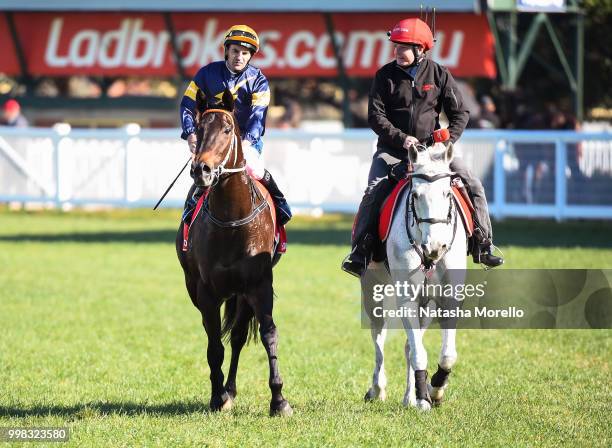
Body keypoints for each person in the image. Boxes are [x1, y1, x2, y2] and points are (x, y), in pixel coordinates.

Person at [341, 17, 503, 277]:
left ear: (422, 49)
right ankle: (360, 253)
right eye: (396, 46)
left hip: (434, 154)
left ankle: (483, 243)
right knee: (373, 191)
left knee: (472, 182)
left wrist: (447, 139)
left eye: (404, 47)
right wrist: (401, 138)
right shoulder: (384, 75)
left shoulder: (440, 74)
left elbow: (461, 113)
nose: (397, 51)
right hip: (392, 153)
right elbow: (376, 116)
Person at [179, 24, 291, 225]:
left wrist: (244, 144)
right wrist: (190, 134)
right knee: (201, 171)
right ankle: (190, 214)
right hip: (213, 142)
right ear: (227, 51)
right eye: (235, 51)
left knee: (254, 169)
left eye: (245, 53)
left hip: (246, 142)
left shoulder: (259, 81)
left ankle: (279, 204)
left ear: (250, 56)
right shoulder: (206, 73)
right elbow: (187, 106)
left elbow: (258, 118)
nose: (239, 56)